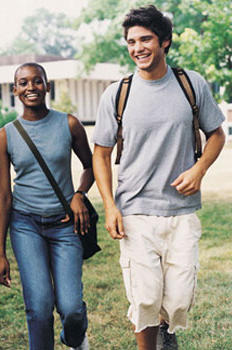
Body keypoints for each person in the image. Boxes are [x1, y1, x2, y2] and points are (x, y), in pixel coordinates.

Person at [92, 5, 226, 350]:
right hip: (135, 209)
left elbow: (217, 134)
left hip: (181, 211)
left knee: (179, 300)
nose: (138, 47)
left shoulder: (190, 84)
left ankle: (167, 330)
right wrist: (109, 206)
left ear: (164, 41)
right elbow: (101, 154)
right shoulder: (117, 94)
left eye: (146, 39)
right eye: (132, 41)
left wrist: (199, 169)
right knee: (145, 297)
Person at [0, 62, 93, 350]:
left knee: (71, 308)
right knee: (38, 308)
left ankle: (75, 337)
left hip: (65, 226)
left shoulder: (69, 124)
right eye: (23, 83)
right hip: (26, 226)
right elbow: (3, 197)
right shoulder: (6, 135)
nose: (30, 88)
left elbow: (90, 166)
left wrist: (79, 194)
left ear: (47, 86)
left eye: (37, 81)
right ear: (15, 91)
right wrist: (1, 253)